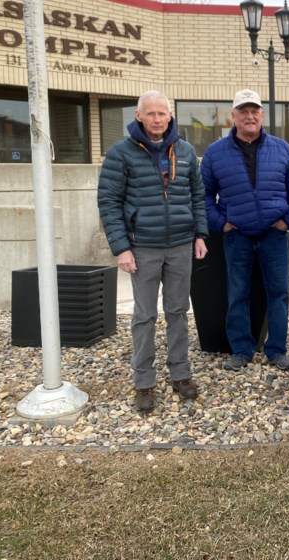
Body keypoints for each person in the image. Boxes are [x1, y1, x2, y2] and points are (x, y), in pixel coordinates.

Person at [97, 89, 209, 412]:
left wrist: (200, 234)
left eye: (163, 114)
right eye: (151, 114)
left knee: (178, 311)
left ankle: (181, 374)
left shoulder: (185, 151)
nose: (157, 119)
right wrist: (121, 248)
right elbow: (109, 201)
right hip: (142, 246)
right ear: (139, 116)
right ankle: (143, 381)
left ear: (170, 116)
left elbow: (197, 195)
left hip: (179, 244)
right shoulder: (121, 153)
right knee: (144, 316)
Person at [201, 89, 289, 372]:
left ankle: (277, 350)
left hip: (274, 234)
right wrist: (220, 222)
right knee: (237, 294)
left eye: (254, 111)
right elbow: (203, 194)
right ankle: (241, 350)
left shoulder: (281, 148)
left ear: (261, 115)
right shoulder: (215, 153)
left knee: (278, 293)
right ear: (233, 116)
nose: (249, 116)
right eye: (243, 111)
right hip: (237, 236)